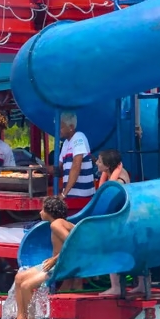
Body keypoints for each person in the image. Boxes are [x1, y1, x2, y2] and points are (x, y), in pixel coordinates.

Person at [8, 196, 74, 319]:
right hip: (56, 263)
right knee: (19, 278)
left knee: (27, 285)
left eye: (42, 209)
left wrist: (54, 259)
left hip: (61, 265)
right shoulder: (59, 223)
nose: (40, 212)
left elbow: (72, 243)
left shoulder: (56, 224)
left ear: (50, 211)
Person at [95, 150, 144, 297]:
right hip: (121, 220)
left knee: (113, 250)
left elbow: (107, 193)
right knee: (133, 252)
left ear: (108, 165)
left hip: (123, 222)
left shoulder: (119, 179)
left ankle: (116, 286)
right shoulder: (113, 174)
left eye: (99, 161)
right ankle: (142, 284)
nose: (96, 163)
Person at [57, 112, 94, 201]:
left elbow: (76, 167)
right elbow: (58, 167)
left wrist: (63, 194)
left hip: (82, 197)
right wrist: (40, 168)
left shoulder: (79, 138)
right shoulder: (65, 143)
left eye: (61, 127)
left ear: (71, 127)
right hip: (71, 195)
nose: (58, 130)